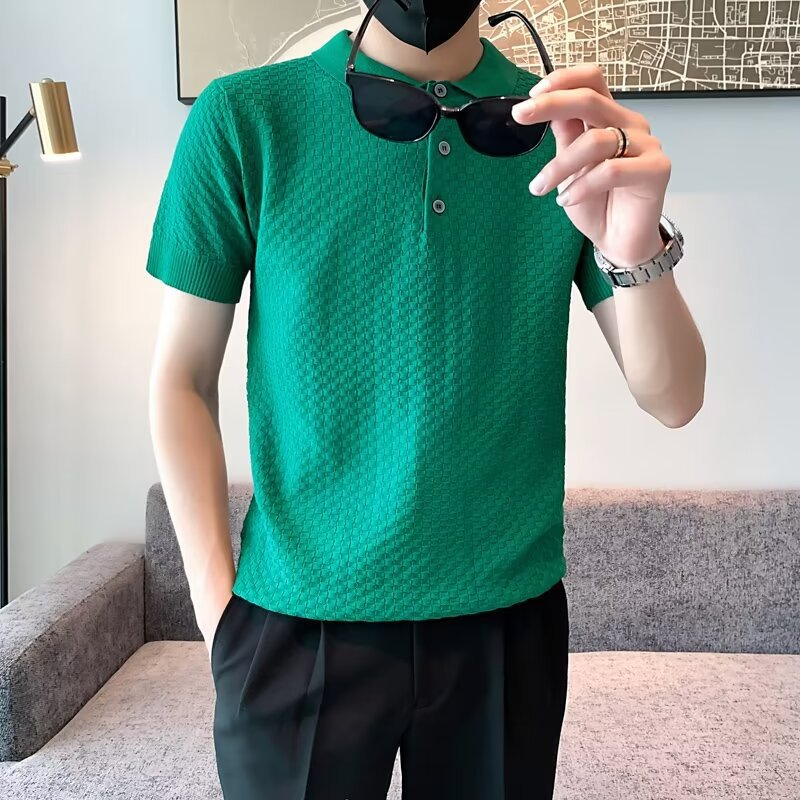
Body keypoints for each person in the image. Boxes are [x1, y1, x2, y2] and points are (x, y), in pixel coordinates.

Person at [146, 1, 706, 798]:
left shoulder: (563, 131)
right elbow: (181, 379)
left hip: (505, 619)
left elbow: (675, 396)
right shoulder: (246, 117)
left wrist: (634, 241)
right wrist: (218, 615)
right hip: (295, 613)